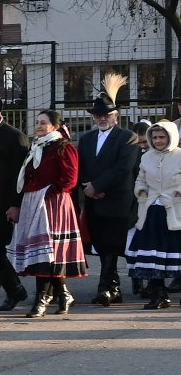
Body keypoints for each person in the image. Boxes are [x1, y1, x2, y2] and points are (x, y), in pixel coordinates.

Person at [8, 109, 86, 317]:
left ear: (55, 126)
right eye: (37, 122)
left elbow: (70, 179)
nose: (39, 126)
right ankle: (63, 294)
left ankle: (41, 299)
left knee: (46, 252)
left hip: (53, 203)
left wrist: (47, 193)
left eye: (44, 123)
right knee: (44, 253)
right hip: (33, 201)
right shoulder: (36, 147)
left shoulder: (63, 147)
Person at [77, 78, 142, 305]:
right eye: (98, 115)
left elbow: (123, 168)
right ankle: (112, 287)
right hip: (93, 200)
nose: (102, 118)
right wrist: (88, 187)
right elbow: (80, 166)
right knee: (101, 244)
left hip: (117, 200)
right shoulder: (86, 138)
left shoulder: (127, 137)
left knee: (113, 244)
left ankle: (105, 287)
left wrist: (98, 186)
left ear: (116, 115)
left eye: (106, 114)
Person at [0, 96, 31, 313]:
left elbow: (20, 177)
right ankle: (15, 289)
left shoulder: (15, 138)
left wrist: (15, 204)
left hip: (5, 203)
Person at [125, 119, 181, 309]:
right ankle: (159, 294)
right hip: (152, 211)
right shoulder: (146, 157)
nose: (157, 141)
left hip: (175, 212)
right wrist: (141, 190)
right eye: (155, 137)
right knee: (152, 256)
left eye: (161, 137)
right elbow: (140, 179)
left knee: (176, 254)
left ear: (171, 137)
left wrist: (177, 192)